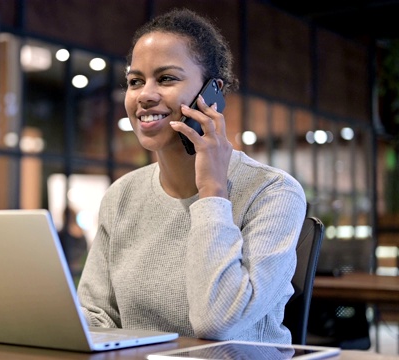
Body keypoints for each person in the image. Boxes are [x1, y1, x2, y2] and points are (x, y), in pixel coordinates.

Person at [77, 8, 307, 344]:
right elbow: (94, 315)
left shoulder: (272, 192)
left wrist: (212, 192)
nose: (145, 95)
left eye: (166, 78)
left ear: (212, 92)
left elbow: (218, 323)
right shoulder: (123, 194)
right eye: (135, 81)